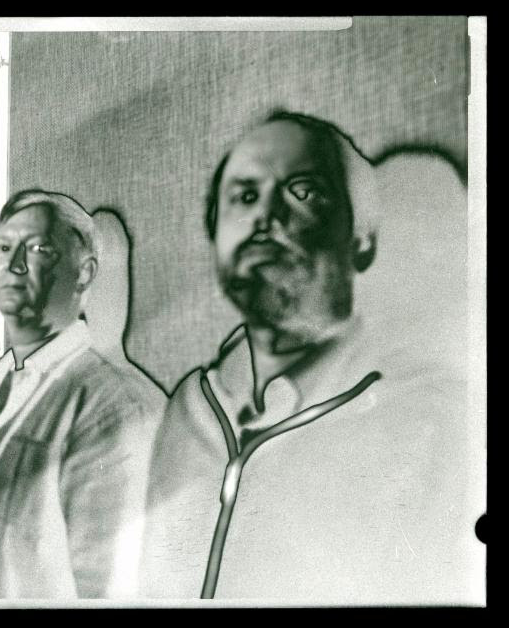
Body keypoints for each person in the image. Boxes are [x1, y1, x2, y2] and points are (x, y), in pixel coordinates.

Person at [139, 112, 480, 603]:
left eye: (306, 193)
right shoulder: (190, 410)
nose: (267, 217)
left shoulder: (430, 418)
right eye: (244, 197)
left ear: (362, 242)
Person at [0, 189, 156, 600]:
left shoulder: (111, 405)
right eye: (4, 248)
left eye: (38, 249)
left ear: (84, 274)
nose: (14, 265)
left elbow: (106, 591)